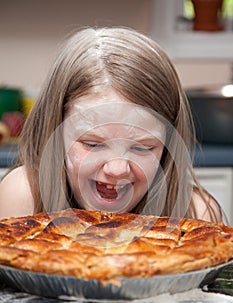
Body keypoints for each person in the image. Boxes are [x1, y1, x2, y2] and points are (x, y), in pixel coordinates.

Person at [0, 26, 224, 222]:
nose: (117, 170)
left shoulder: (196, 213)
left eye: (142, 147)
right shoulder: (23, 196)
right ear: (55, 132)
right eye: (93, 144)